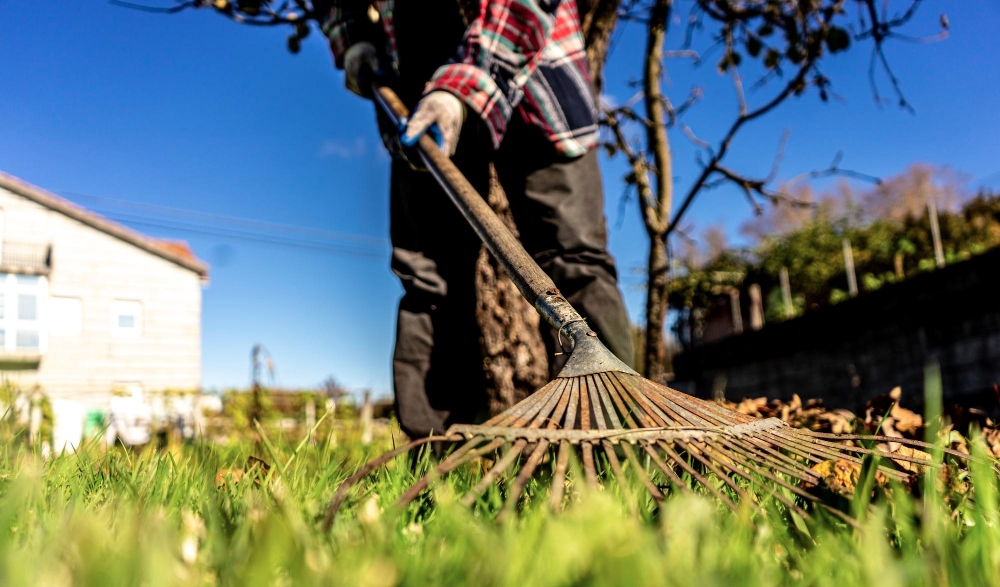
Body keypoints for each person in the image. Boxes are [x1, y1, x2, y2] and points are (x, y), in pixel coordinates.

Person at [315, 0, 633, 439]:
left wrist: (462, 88)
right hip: (414, 88)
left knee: (574, 259)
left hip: (535, 69)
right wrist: (352, 37)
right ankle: (435, 456)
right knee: (429, 280)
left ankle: (616, 437)